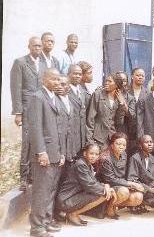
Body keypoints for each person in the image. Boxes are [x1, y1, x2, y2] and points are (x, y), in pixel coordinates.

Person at [28, 68, 64, 237]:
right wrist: (41, 152)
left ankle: (46, 221)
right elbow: (35, 128)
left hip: (55, 153)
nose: (58, 83)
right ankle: (36, 228)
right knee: (41, 192)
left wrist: (62, 152)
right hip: (44, 154)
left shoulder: (54, 97)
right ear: (44, 80)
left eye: (59, 80)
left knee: (50, 191)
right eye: (54, 79)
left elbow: (59, 128)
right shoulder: (37, 97)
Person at [10, 37, 48, 190]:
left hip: (40, 108)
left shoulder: (44, 64)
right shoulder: (20, 63)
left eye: (40, 46)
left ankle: (33, 175)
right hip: (26, 109)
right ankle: (24, 178)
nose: (38, 48)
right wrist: (18, 113)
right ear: (29, 47)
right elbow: (15, 88)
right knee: (27, 143)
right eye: (35, 46)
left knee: (37, 141)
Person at [56, 144, 117, 226]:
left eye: (96, 154)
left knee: (103, 192)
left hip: (72, 197)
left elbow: (93, 182)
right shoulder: (81, 164)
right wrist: (106, 189)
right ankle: (73, 214)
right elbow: (90, 185)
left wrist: (105, 185)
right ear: (85, 153)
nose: (94, 156)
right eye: (91, 153)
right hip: (66, 200)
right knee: (103, 194)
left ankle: (73, 213)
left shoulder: (87, 165)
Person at [97, 132, 144, 219]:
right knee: (124, 191)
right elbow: (110, 179)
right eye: (118, 144)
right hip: (105, 187)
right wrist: (130, 184)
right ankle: (109, 207)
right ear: (112, 144)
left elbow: (124, 175)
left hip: (120, 184)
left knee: (138, 197)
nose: (121, 146)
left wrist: (133, 184)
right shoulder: (105, 158)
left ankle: (114, 204)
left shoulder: (124, 155)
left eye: (124, 144)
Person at [127, 135, 154, 213]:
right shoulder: (135, 158)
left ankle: (142, 203)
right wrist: (149, 189)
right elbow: (132, 180)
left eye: (151, 142)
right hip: (138, 189)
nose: (150, 144)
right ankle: (135, 204)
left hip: (148, 190)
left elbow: (151, 179)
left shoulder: (152, 158)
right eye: (146, 142)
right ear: (140, 145)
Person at [86, 73, 129, 150]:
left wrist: (122, 103)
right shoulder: (98, 95)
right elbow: (90, 119)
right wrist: (90, 141)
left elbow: (119, 122)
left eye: (110, 81)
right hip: (97, 138)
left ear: (117, 84)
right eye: (106, 81)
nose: (106, 83)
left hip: (111, 138)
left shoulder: (119, 98)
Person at [68, 65, 88, 154]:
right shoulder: (64, 90)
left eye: (79, 74)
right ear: (68, 74)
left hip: (81, 137)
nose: (77, 76)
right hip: (70, 135)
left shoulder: (83, 91)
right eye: (75, 74)